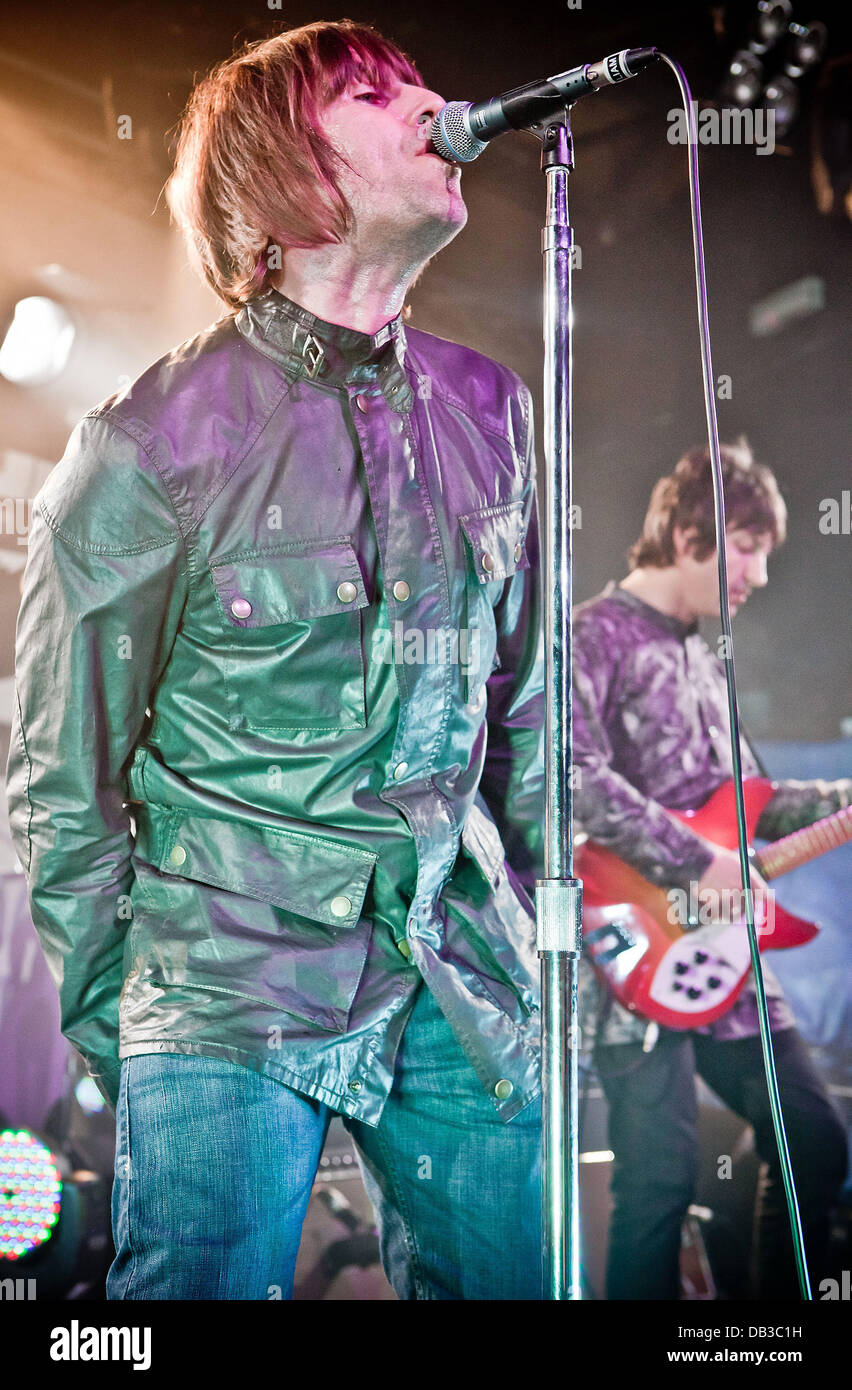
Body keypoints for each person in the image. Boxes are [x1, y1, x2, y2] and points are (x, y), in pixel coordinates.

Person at [5, 21, 547, 1301]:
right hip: (222, 970)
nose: (433, 101)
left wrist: (534, 928)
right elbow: (62, 779)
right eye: (375, 92)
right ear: (281, 179)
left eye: (420, 77)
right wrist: (129, 1022)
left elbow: (522, 712)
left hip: (458, 962)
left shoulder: (494, 408)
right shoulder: (145, 446)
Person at [572, 439, 850, 1300]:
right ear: (695, 532)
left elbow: (746, 799)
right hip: (631, 950)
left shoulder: (703, 654)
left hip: (725, 954)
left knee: (814, 1137)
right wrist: (699, 857)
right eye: (750, 546)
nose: (760, 576)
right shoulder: (592, 635)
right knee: (658, 1178)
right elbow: (571, 776)